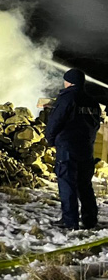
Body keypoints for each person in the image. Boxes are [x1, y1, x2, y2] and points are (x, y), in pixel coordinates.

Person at [45, 68, 102, 229]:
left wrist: (51, 140)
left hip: (67, 147)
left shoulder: (67, 98)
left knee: (67, 183)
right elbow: (95, 125)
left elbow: (55, 121)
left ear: (68, 81)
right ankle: (90, 220)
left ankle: (70, 221)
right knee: (85, 184)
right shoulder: (92, 102)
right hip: (86, 148)